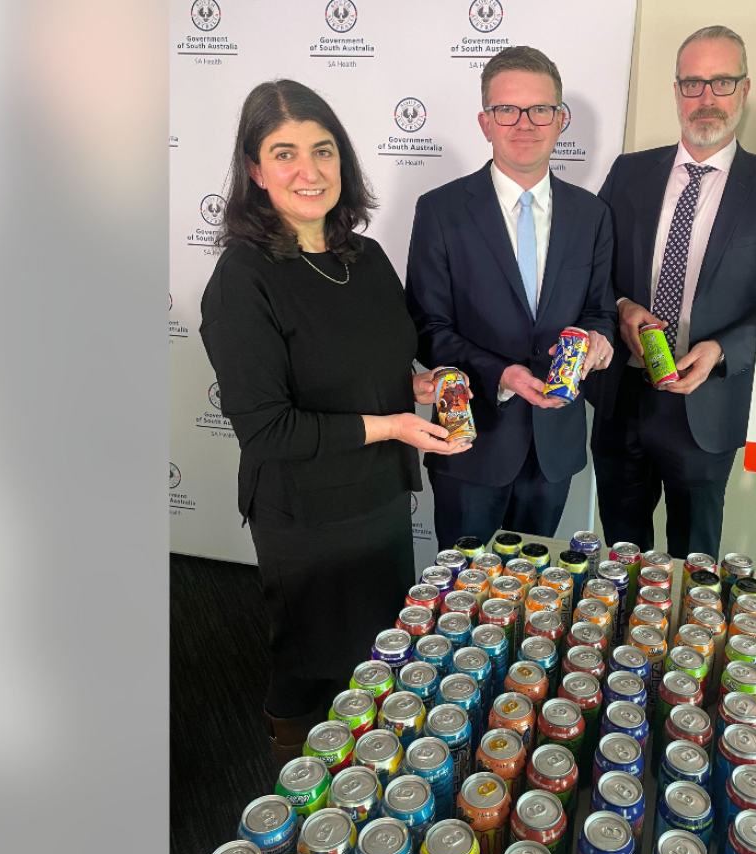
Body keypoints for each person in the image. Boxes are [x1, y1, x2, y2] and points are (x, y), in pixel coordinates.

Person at [199, 80, 468, 765]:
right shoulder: (242, 277)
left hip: (376, 491)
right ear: (255, 171)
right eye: (283, 153)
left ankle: (365, 755)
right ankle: (286, 750)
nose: (308, 170)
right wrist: (394, 427)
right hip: (305, 510)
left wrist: (419, 385)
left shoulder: (364, 256)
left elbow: (374, 363)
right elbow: (269, 431)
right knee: (309, 654)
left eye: (322, 150)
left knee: (376, 642)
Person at [406, 46, 617, 550]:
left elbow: (601, 311)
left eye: (540, 109)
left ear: (560, 118)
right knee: (461, 592)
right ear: (485, 121)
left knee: (533, 594)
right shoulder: (440, 211)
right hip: (471, 438)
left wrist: (599, 340)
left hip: (554, 446)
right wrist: (500, 373)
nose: (524, 123)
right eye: (507, 110)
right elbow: (428, 330)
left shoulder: (591, 215)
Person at [585, 26, 756, 560]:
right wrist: (622, 307)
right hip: (622, 395)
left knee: (693, 566)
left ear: (744, 89)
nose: (707, 99)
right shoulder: (628, 173)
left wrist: (723, 350)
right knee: (620, 561)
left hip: (705, 404)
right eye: (693, 84)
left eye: (721, 82)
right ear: (676, 92)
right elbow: (588, 269)